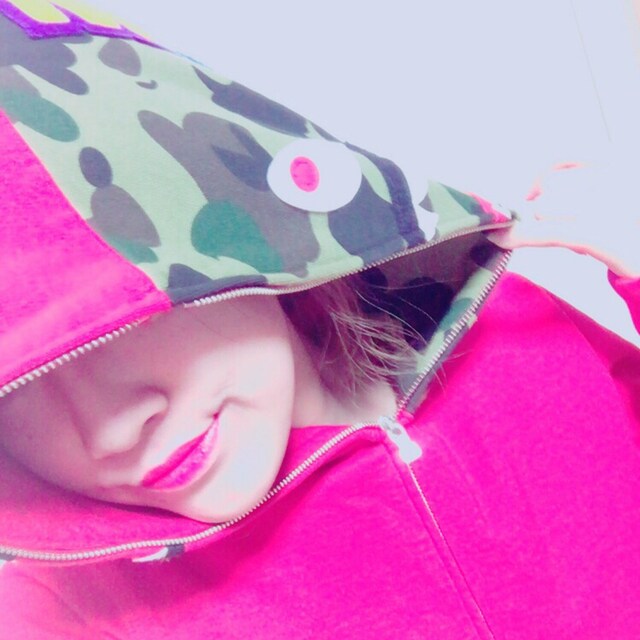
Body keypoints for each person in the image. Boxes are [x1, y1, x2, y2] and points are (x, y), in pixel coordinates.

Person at [0, 1, 639, 637]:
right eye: (14, 387)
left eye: (114, 321)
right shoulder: (60, 613)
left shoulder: (517, 331)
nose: (109, 433)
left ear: (232, 222)